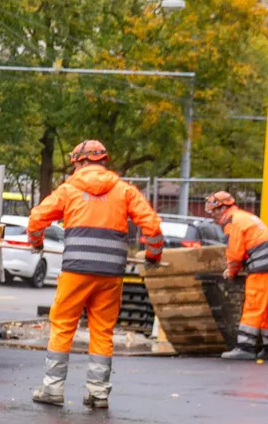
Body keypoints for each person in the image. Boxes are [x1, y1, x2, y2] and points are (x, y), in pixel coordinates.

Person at [25, 139, 165, 409]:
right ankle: (98, 393)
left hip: (76, 270)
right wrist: (153, 256)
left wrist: (37, 244)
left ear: (80, 161)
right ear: (103, 161)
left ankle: (53, 389)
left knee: (63, 324)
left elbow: (36, 220)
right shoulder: (124, 191)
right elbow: (153, 227)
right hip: (110, 274)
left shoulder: (69, 189)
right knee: (102, 330)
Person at [206, 191, 268, 361]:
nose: (212, 214)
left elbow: (235, 252)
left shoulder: (233, 221)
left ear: (223, 208)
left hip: (262, 266)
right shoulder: (244, 216)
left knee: (253, 305)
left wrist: (232, 271)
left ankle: (245, 347)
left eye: (214, 210)